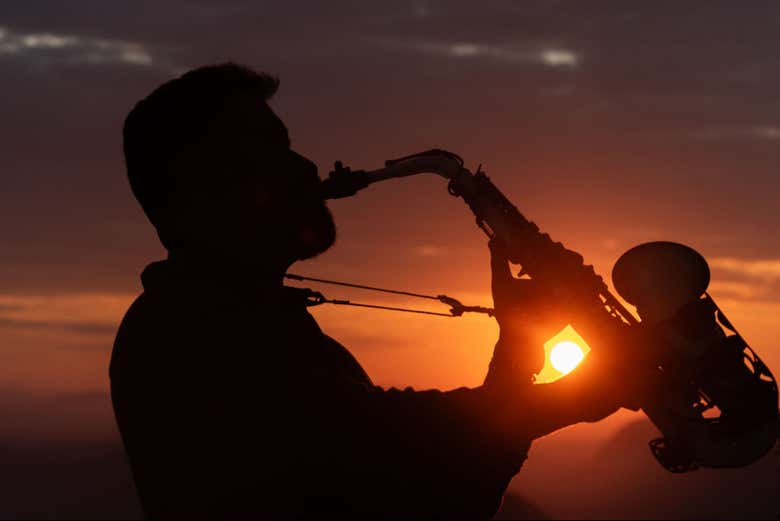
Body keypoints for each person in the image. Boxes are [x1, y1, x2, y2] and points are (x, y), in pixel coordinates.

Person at [110, 63, 633, 520]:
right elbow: (400, 480)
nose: (306, 167)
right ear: (204, 188)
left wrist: (520, 359)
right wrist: (566, 393)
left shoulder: (233, 319)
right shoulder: (194, 335)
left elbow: (421, 468)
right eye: (271, 150)